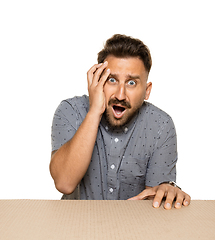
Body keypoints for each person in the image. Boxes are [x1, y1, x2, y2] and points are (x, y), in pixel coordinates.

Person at [50, 34, 190, 209]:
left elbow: (154, 206)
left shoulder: (161, 126)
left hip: (133, 230)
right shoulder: (70, 111)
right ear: (97, 81)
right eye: (112, 80)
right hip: (77, 227)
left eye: (131, 82)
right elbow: (64, 183)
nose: (120, 95)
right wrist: (94, 111)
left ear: (147, 91)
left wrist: (166, 191)